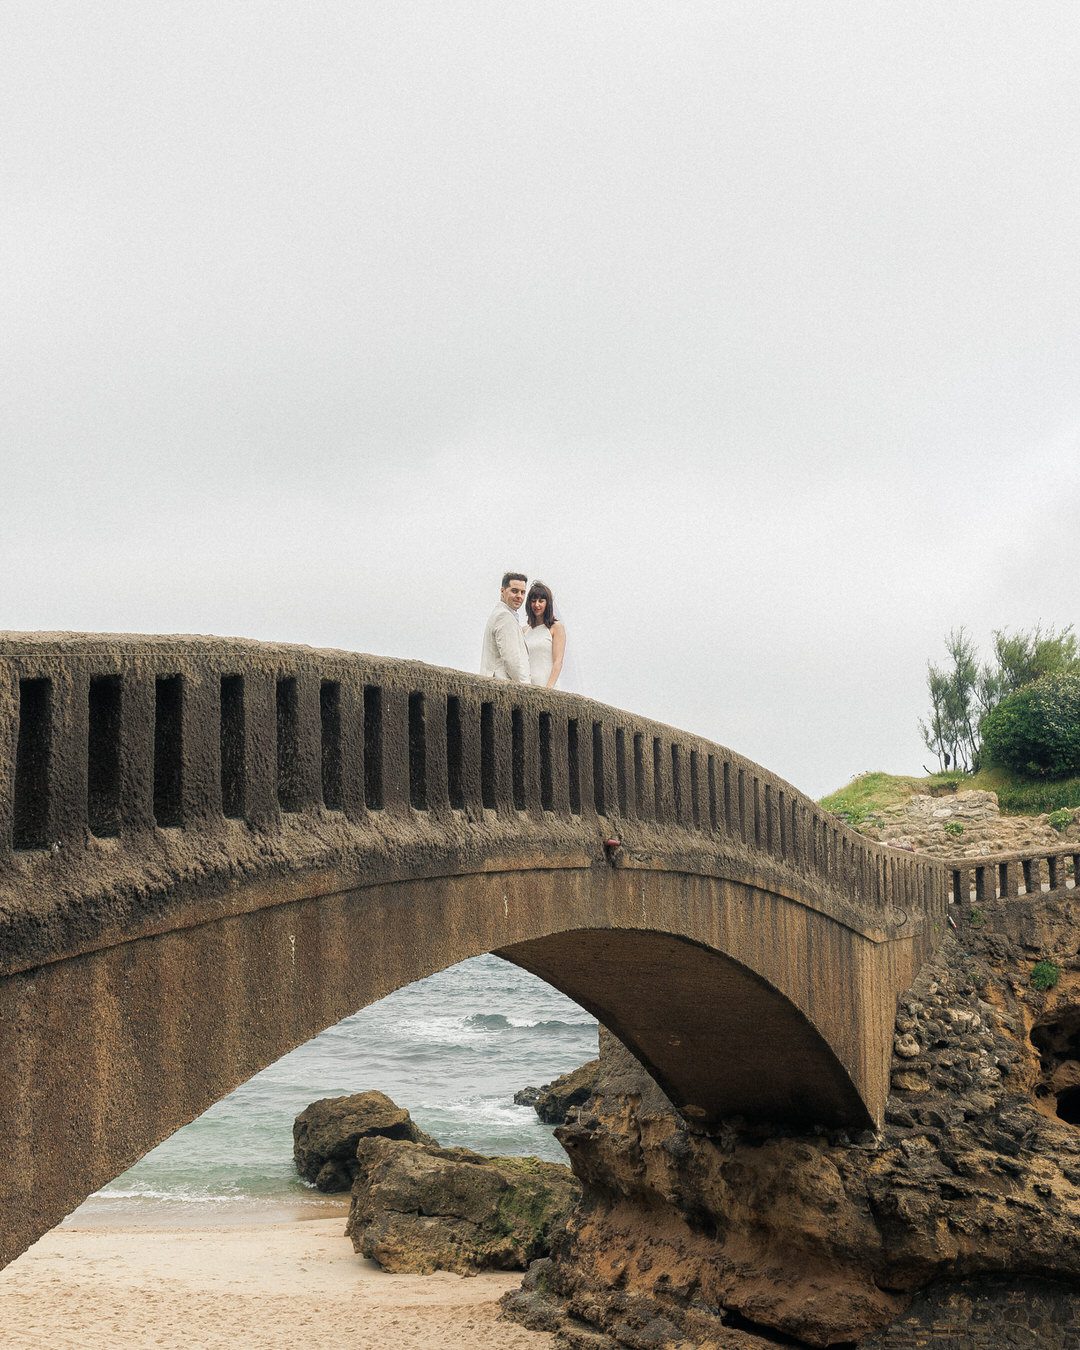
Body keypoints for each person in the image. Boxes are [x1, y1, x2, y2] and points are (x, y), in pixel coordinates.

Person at [480, 571, 530, 682]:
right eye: (514, 591)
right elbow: (512, 661)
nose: (519, 596)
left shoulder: (500, 614)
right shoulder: (504, 616)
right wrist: (528, 690)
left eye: (522, 592)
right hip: (503, 687)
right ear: (502, 591)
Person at [523, 580, 566, 688]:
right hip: (528, 687)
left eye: (541, 601)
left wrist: (548, 690)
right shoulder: (524, 630)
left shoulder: (556, 627)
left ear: (547, 603)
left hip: (548, 687)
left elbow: (558, 662)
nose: (536, 605)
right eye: (533, 601)